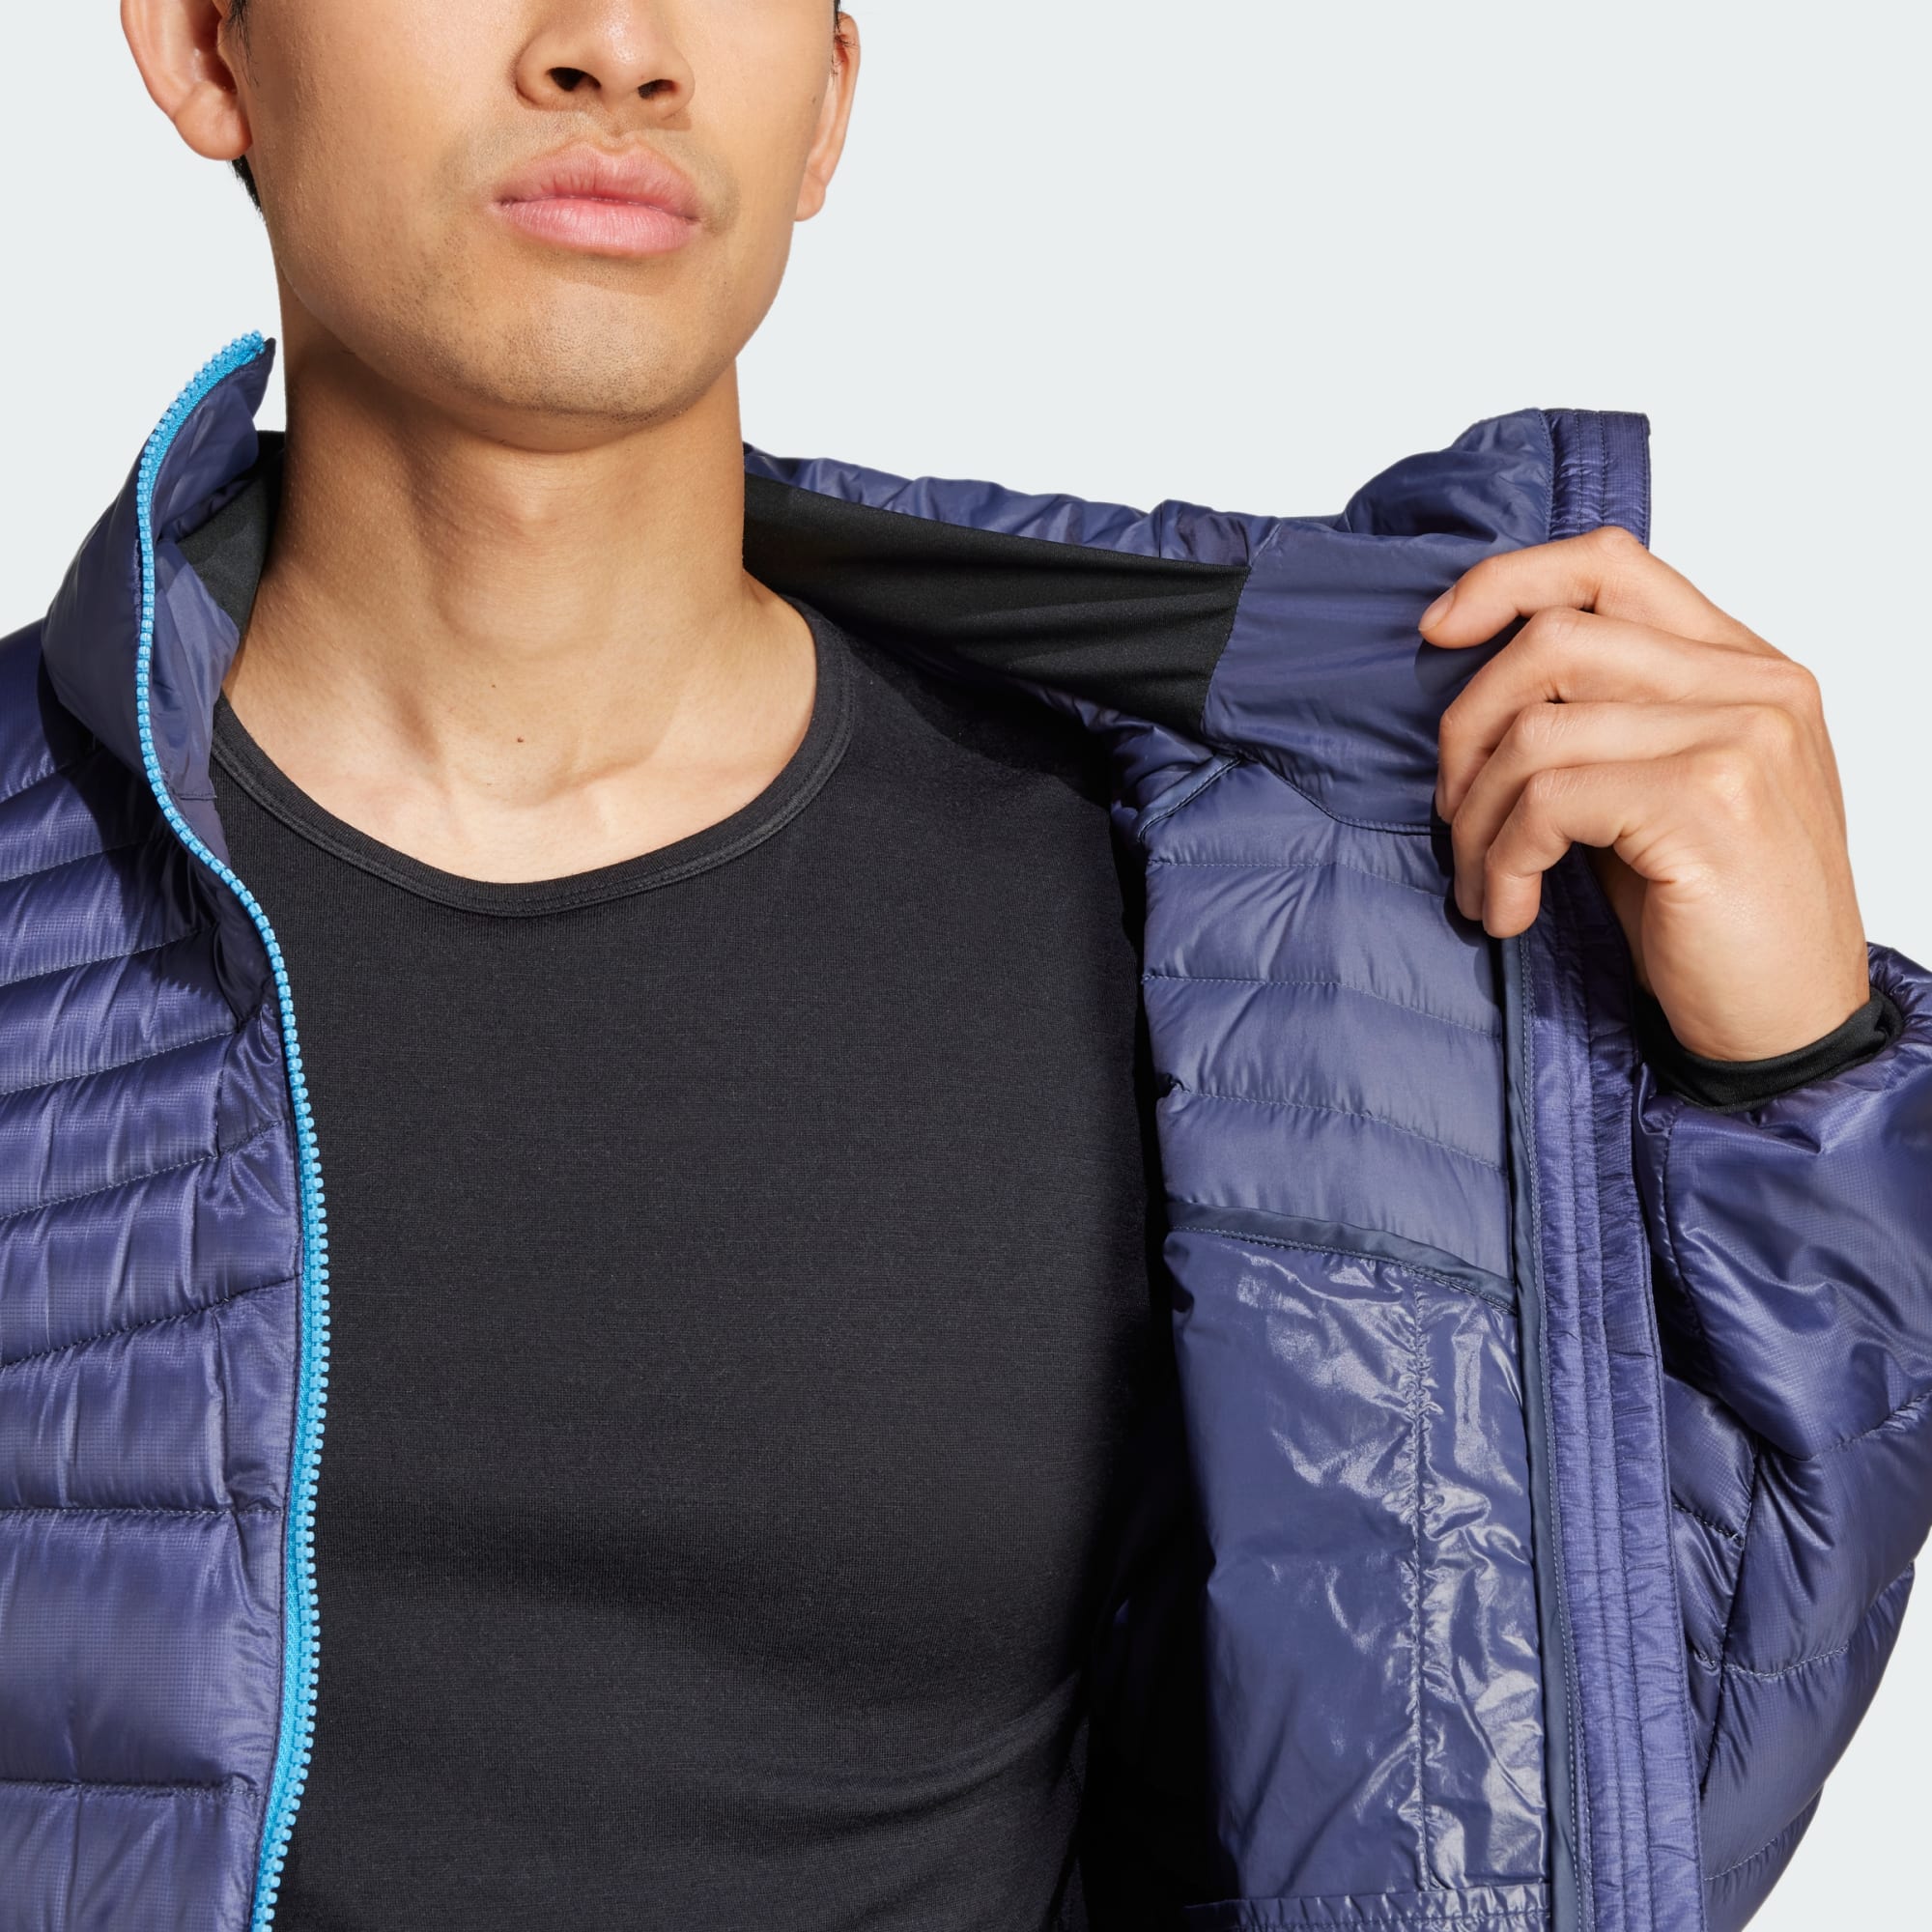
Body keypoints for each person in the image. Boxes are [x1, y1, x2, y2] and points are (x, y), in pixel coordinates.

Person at [0, 3, 1924, 1930]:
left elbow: (1577, 1824)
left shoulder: (1245, 931)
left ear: (826, 104)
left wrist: (1788, 1072)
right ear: (204, 48)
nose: (615, 44)